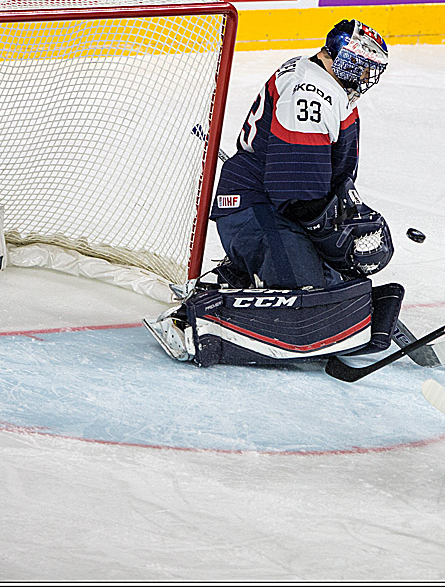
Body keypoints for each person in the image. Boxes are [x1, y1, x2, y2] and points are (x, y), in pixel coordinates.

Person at [145, 20, 400, 365]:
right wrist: (335, 236)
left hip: (271, 205)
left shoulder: (323, 78)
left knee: (333, 288)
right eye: (361, 64)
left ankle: (241, 276)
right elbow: (296, 193)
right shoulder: (311, 93)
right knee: (313, 301)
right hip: (254, 209)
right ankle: (197, 322)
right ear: (338, 57)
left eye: (371, 68)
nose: (366, 75)